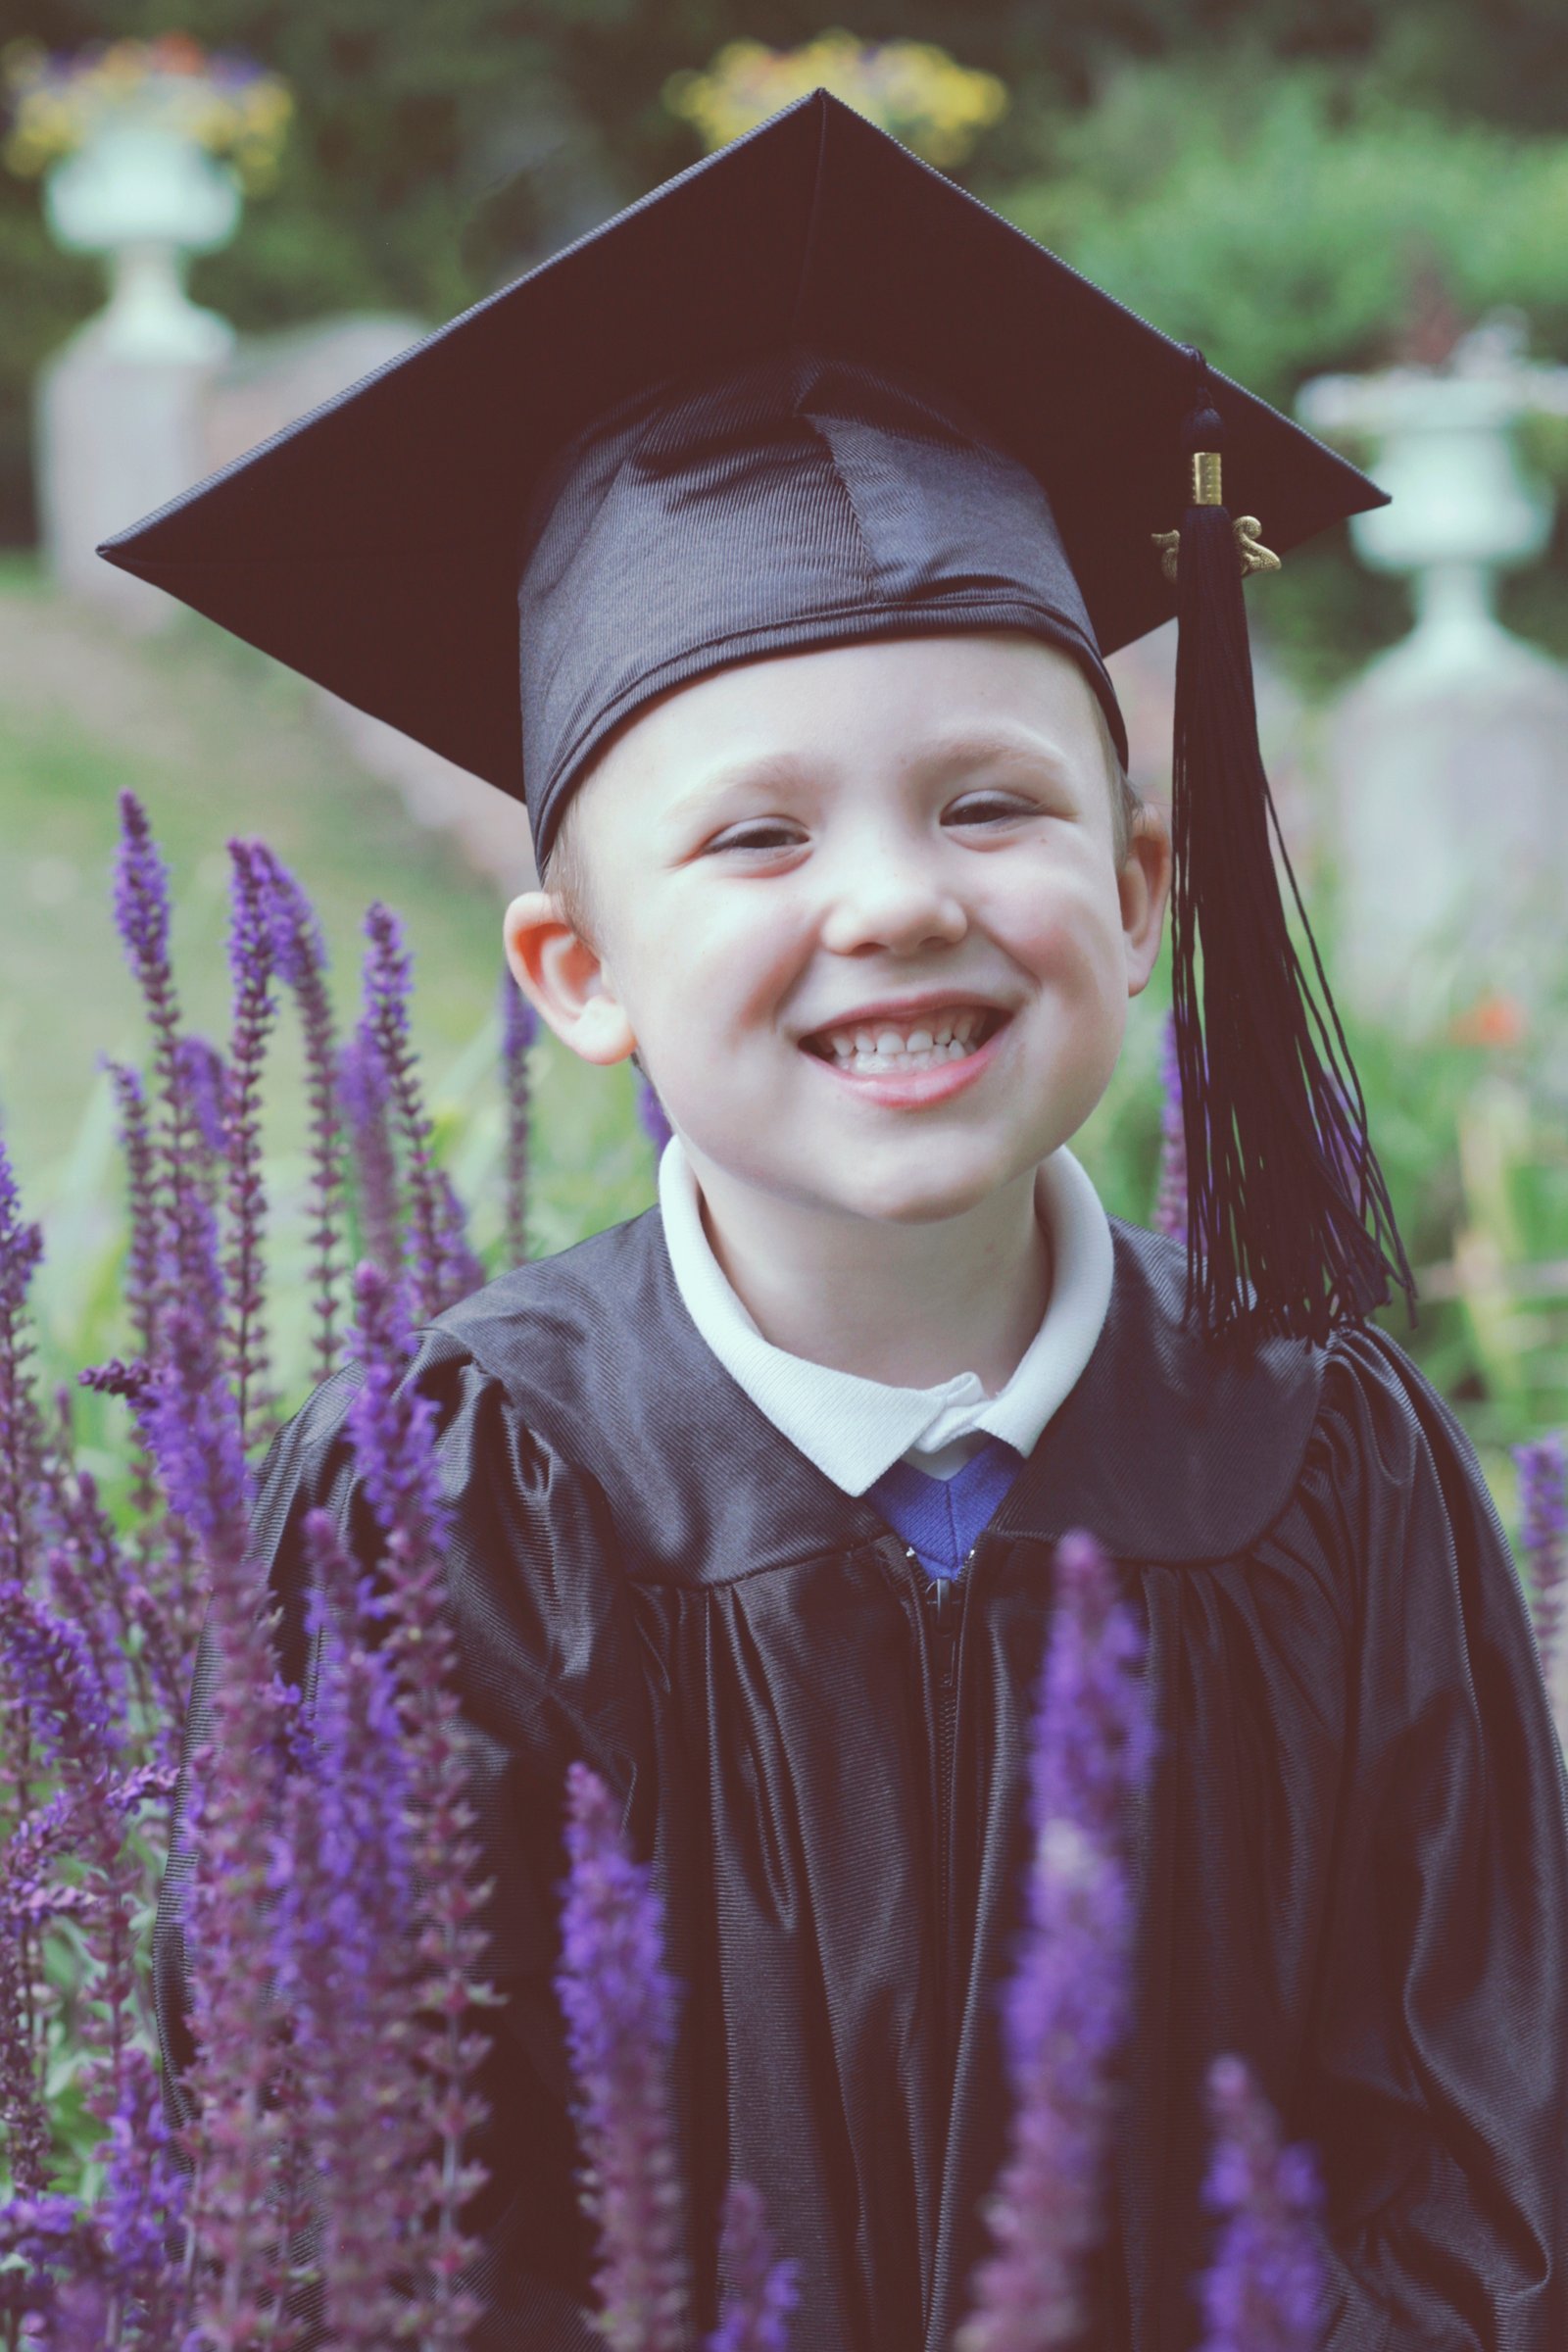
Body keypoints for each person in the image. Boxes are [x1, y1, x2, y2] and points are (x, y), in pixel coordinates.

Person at [114, 91, 1568, 2350]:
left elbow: (1474, 2173)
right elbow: (338, 2209)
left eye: (987, 804)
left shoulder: (1320, 1467)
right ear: (574, 975)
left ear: (1138, 891)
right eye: (756, 838)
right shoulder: (459, 1506)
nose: (893, 900)